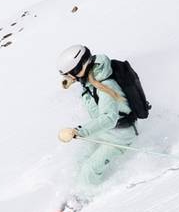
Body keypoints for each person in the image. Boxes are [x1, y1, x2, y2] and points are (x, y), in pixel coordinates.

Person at [54, 44, 136, 195]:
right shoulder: (92, 79)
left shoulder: (105, 85)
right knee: (80, 160)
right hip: (105, 132)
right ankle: (76, 192)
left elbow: (109, 118)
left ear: (79, 69)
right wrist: (72, 79)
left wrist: (79, 131)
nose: (69, 78)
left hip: (119, 137)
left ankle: (84, 199)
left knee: (89, 169)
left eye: (70, 73)